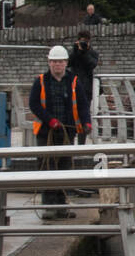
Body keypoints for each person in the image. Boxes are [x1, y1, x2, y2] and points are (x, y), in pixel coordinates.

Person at [28, 45, 92, 221]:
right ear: (49, 63)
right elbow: (34, 104)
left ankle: (62, 206)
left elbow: (83, 104)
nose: (57, 65)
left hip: (66, 132)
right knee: (47, 168)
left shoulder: (73, 81)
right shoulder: (40, 81)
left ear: (66, 63)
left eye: (61, 61)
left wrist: (86, 122)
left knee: (64, 168)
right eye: (54, 62)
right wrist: (50, 120)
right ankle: (49, 207)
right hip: (45, 132)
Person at [68, 30, 99, 143]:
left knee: (83, 116)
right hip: (72, 87)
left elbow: (92, 65)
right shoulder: (74, 51)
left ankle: (82, 143)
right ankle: (70, 141)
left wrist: (84, 52)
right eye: (81, 41)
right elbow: (68, 63)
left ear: (89, 41)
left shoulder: (93, 53)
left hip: (86, 89)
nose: (83, 43)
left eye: (85, 41)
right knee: (70, 114)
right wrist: (76, 50)